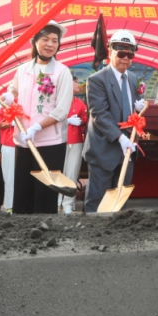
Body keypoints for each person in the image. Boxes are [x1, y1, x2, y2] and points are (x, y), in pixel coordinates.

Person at [0, 21, 73, 215]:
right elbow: (14, 87)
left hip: (50, 143)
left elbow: (62, 110)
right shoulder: (23, 69)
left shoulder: (62, 72)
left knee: (45, 193)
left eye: (55, 41)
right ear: (34, 41)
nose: (50, 44)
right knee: (23, 190)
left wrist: (37, 127)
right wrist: (10, 94)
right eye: (45, 39)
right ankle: (22, 232)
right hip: (24, 140)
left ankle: (44, 233)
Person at [83, 30, 146, 213]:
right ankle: (93, 235)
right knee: (98, 200)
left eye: (130, 54)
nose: (125, 59)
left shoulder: (133, 79)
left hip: (127, 150)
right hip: (104, 148)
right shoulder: (96, 80)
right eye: (121, 54)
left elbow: (129, 110)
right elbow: (99, 113)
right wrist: (120, 138)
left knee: (120, 199)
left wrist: (137, 109)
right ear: (110, 52)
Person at [62, 73, 88, 214]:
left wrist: (80, 121)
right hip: (61, 141)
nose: (78, 85)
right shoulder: (59, 100)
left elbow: (84, 120)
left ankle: (69, 202)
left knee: (72, 172)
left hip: (77, 141)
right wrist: (66, 120)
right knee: (60, 172)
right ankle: (57, 200)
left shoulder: (80, 103)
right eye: (76, 82)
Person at [0, 100, 17, 213]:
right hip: (9, 145)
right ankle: (10, 206)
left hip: (26, 144)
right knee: (9, 177)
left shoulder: (26, 103)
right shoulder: (4, 106)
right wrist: (11, 123)